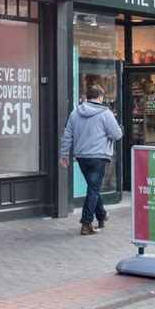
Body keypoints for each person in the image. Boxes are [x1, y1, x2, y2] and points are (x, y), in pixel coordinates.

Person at [59, 84, 122, 235]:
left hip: (81, 157)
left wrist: (64, 155)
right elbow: (116, 135)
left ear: (87, 97)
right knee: (94, 189)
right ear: (100, 97)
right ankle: (86, 223)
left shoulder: (75, 113)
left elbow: (67, 135)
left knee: (93, 188)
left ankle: (101, 216)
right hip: (98, 157)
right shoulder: (106, 114)